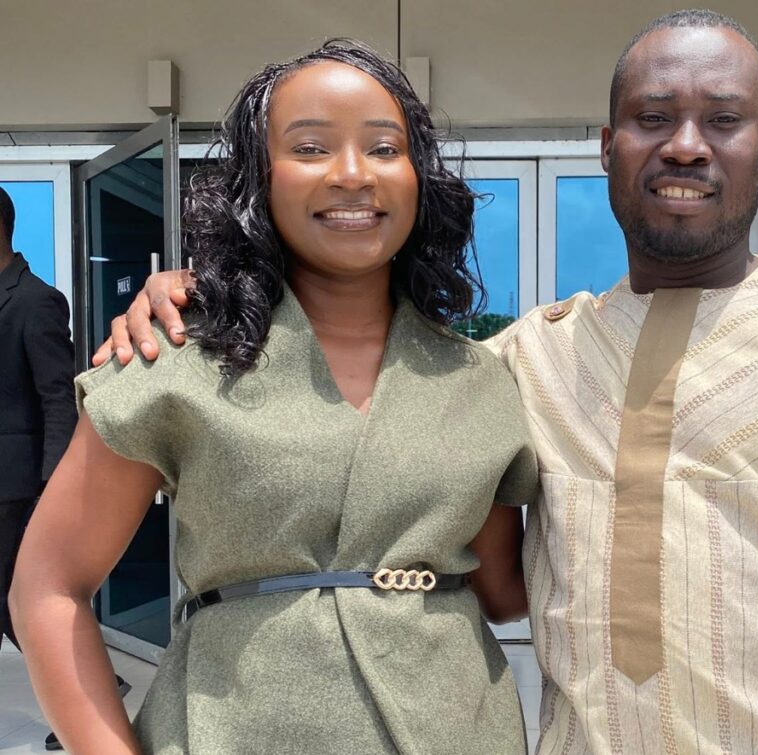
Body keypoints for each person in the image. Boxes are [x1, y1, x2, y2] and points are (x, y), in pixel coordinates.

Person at [96, 10, 758, 755]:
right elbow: (379, 377)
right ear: (607, 146)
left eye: (722, 120)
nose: (685, 146)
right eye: (652, 118)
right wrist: (202, 293)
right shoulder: (526, 358)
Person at [12, 39, 537, 755]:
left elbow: (507, 593)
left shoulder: (478, 378)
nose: (353, 174)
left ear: (419, 178)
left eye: (384, 148)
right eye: (310, 148)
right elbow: (47, 587)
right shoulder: (175, 361)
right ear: (258, 181)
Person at [0, 185, 76, 650]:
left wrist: (53, 484)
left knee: (16, 601)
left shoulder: (35, 300)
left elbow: (58, 398)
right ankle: (92, 683)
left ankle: (91, 683)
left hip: (16, 486)